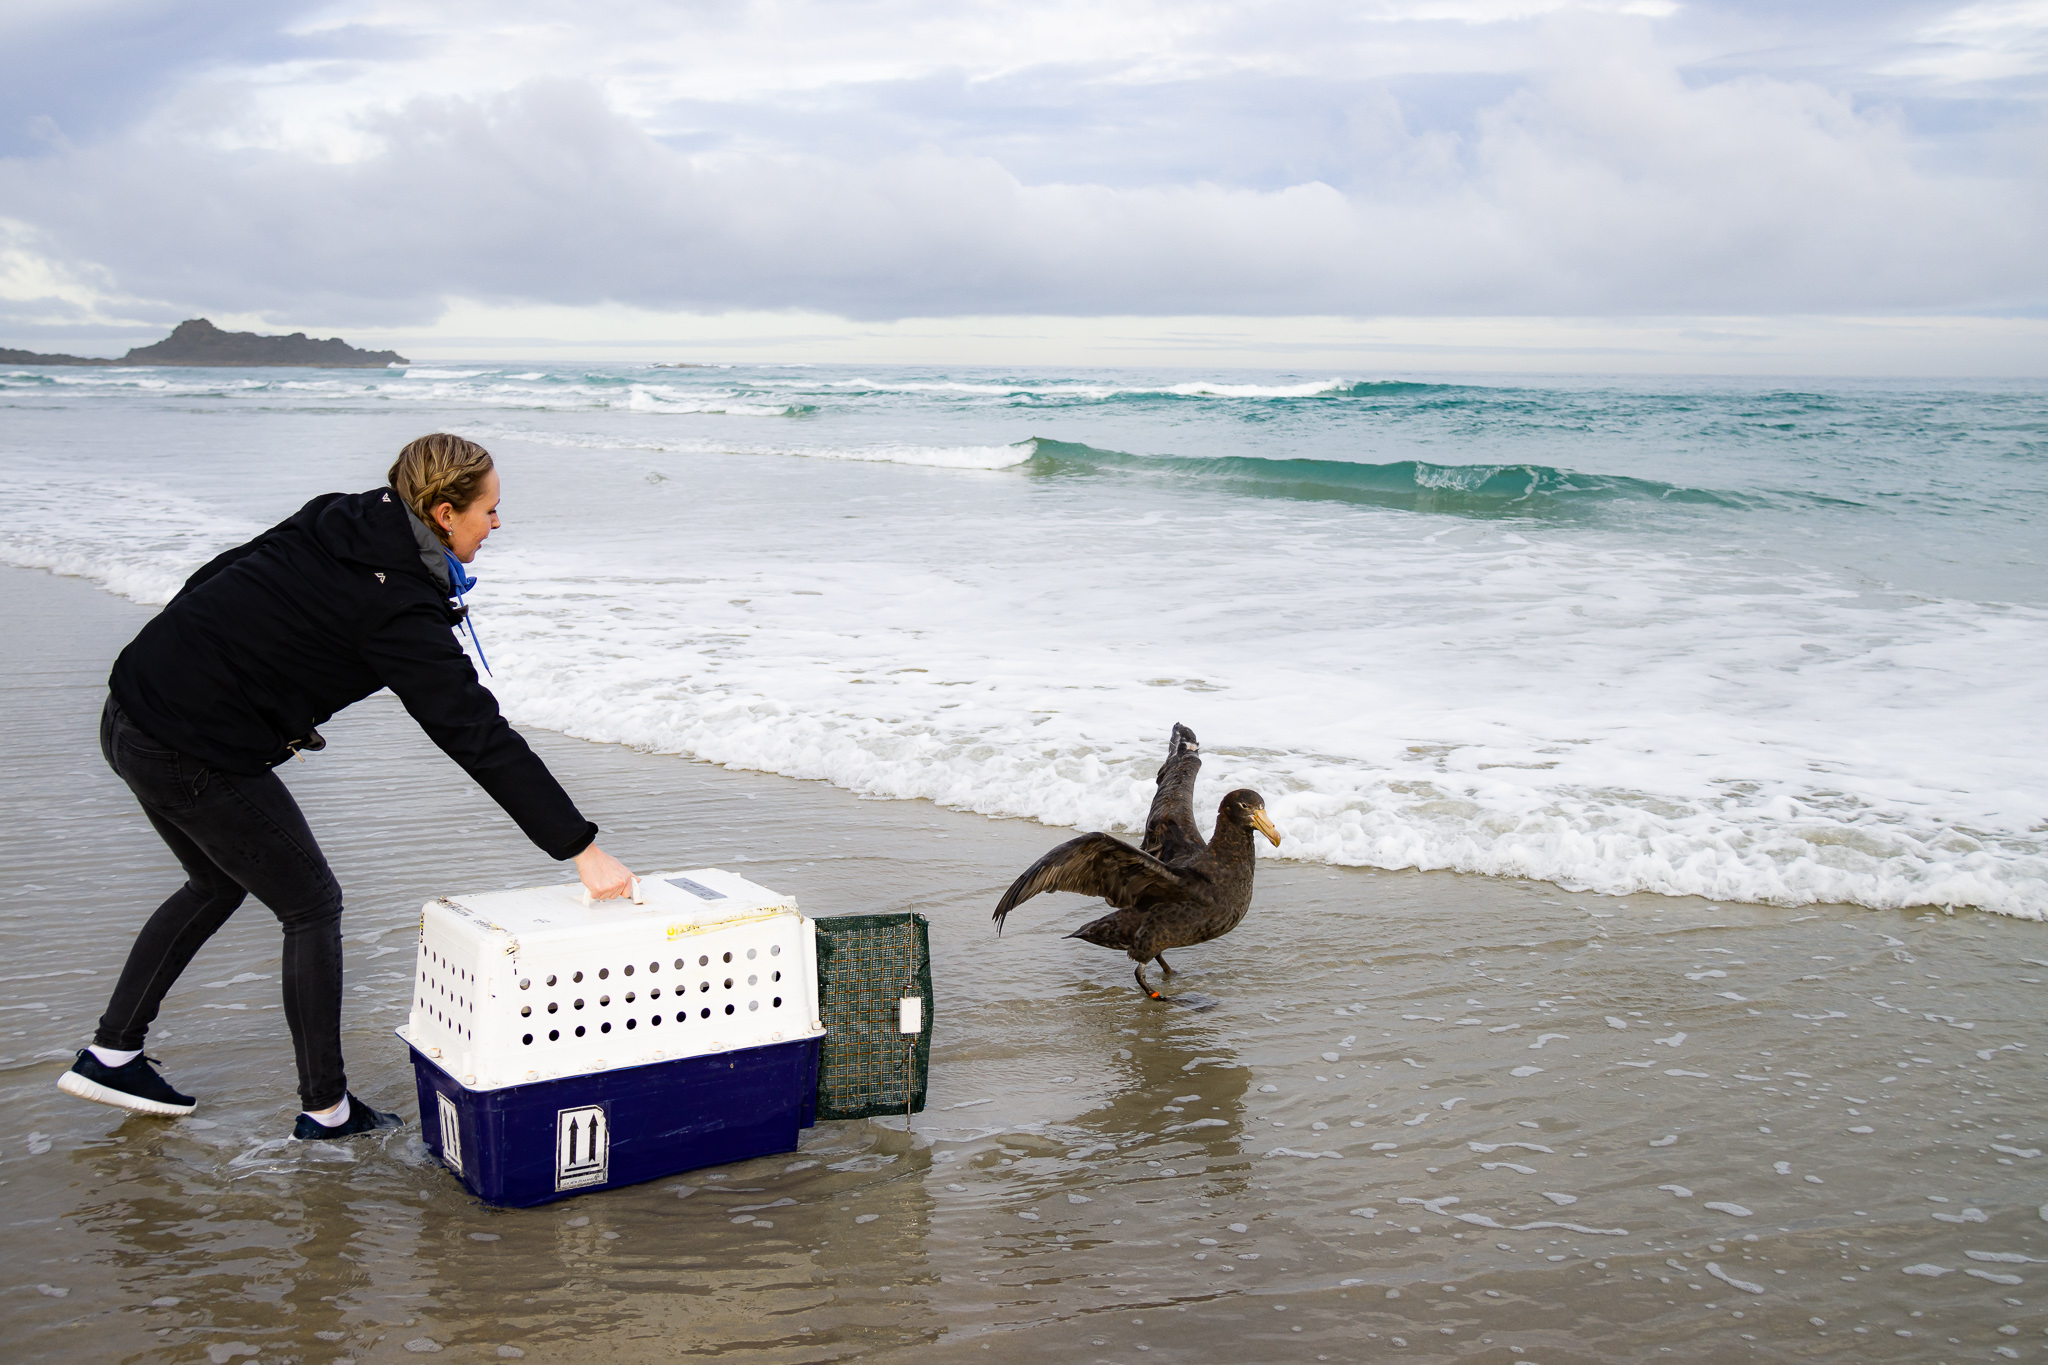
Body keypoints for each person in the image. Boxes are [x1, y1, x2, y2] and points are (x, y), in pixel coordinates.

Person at [57, 434, 635, 1139]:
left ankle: (112, 1052)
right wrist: (581, 847)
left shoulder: (346, 515)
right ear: (446, 511)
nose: (498, 524)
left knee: (216, 882)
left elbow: (222, 572)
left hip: (133, 705)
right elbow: (472, 732)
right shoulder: (398, 609)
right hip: (189, 744)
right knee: (310, 903)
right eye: (490, 509)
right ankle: (326, 1109)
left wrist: (212, 661)